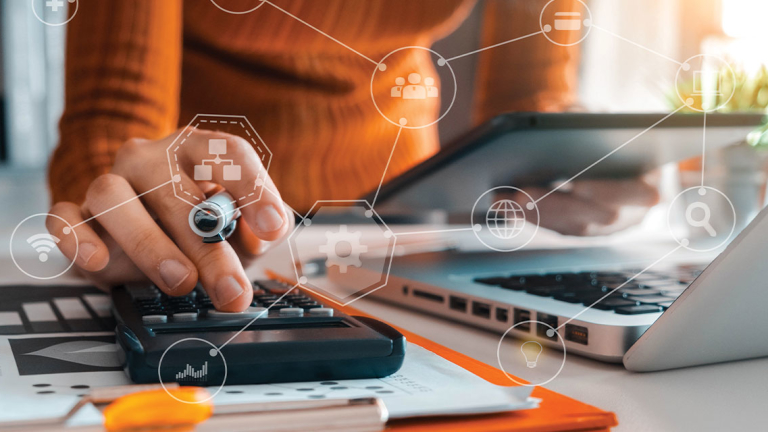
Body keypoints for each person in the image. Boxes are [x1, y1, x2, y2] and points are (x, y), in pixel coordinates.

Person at [46, 0, 659, 312]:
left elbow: (533, 98)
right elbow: (112, 115)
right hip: (214, 221)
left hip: (412, 228)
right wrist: (122, 200)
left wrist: (579, 162)